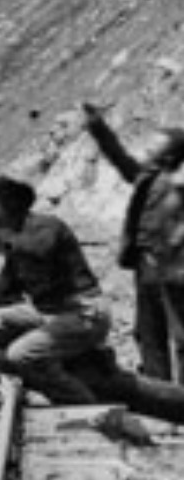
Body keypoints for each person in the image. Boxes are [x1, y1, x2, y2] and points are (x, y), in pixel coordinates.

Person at [0, 174, 112, 404]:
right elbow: (1, 290)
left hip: (85, 313)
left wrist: (1, 239)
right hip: (52, 313)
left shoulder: (46, 227)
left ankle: (81, 400)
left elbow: (39, 250)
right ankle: (48, 371)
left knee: (20, 354)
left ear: (11, 206)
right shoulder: (15, 239)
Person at [79, 103, 184, 381]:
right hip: (146, 266)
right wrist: (98, 128)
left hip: (174, 269)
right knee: (148, 332)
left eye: (155, 148)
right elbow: (120, 157)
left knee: (179, 334)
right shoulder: (147, 178)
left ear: (171, 153)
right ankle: (161, 397)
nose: (147, 151)